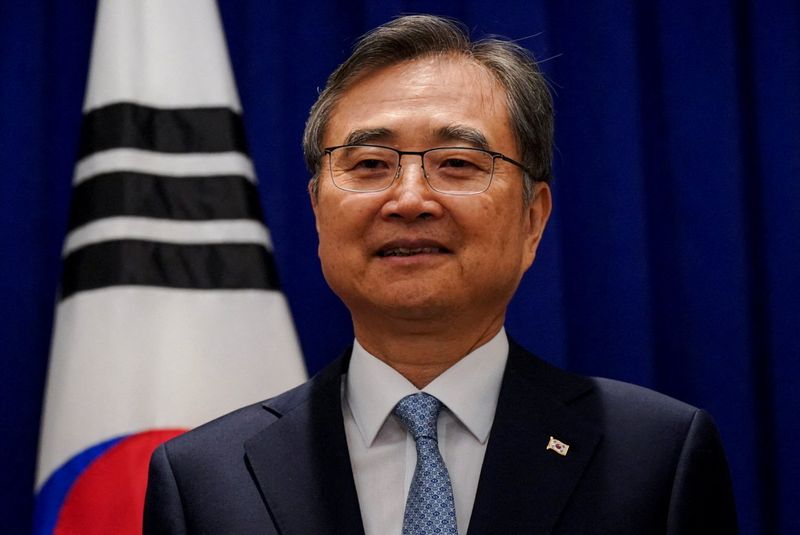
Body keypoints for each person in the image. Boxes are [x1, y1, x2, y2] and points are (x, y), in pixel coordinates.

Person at [144, 14, 737, 534]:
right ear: (317, 212)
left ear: (533, 219)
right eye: (370, 164)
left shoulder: (656, 455)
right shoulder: (205, 477)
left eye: (456, 164)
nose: (409, 199)